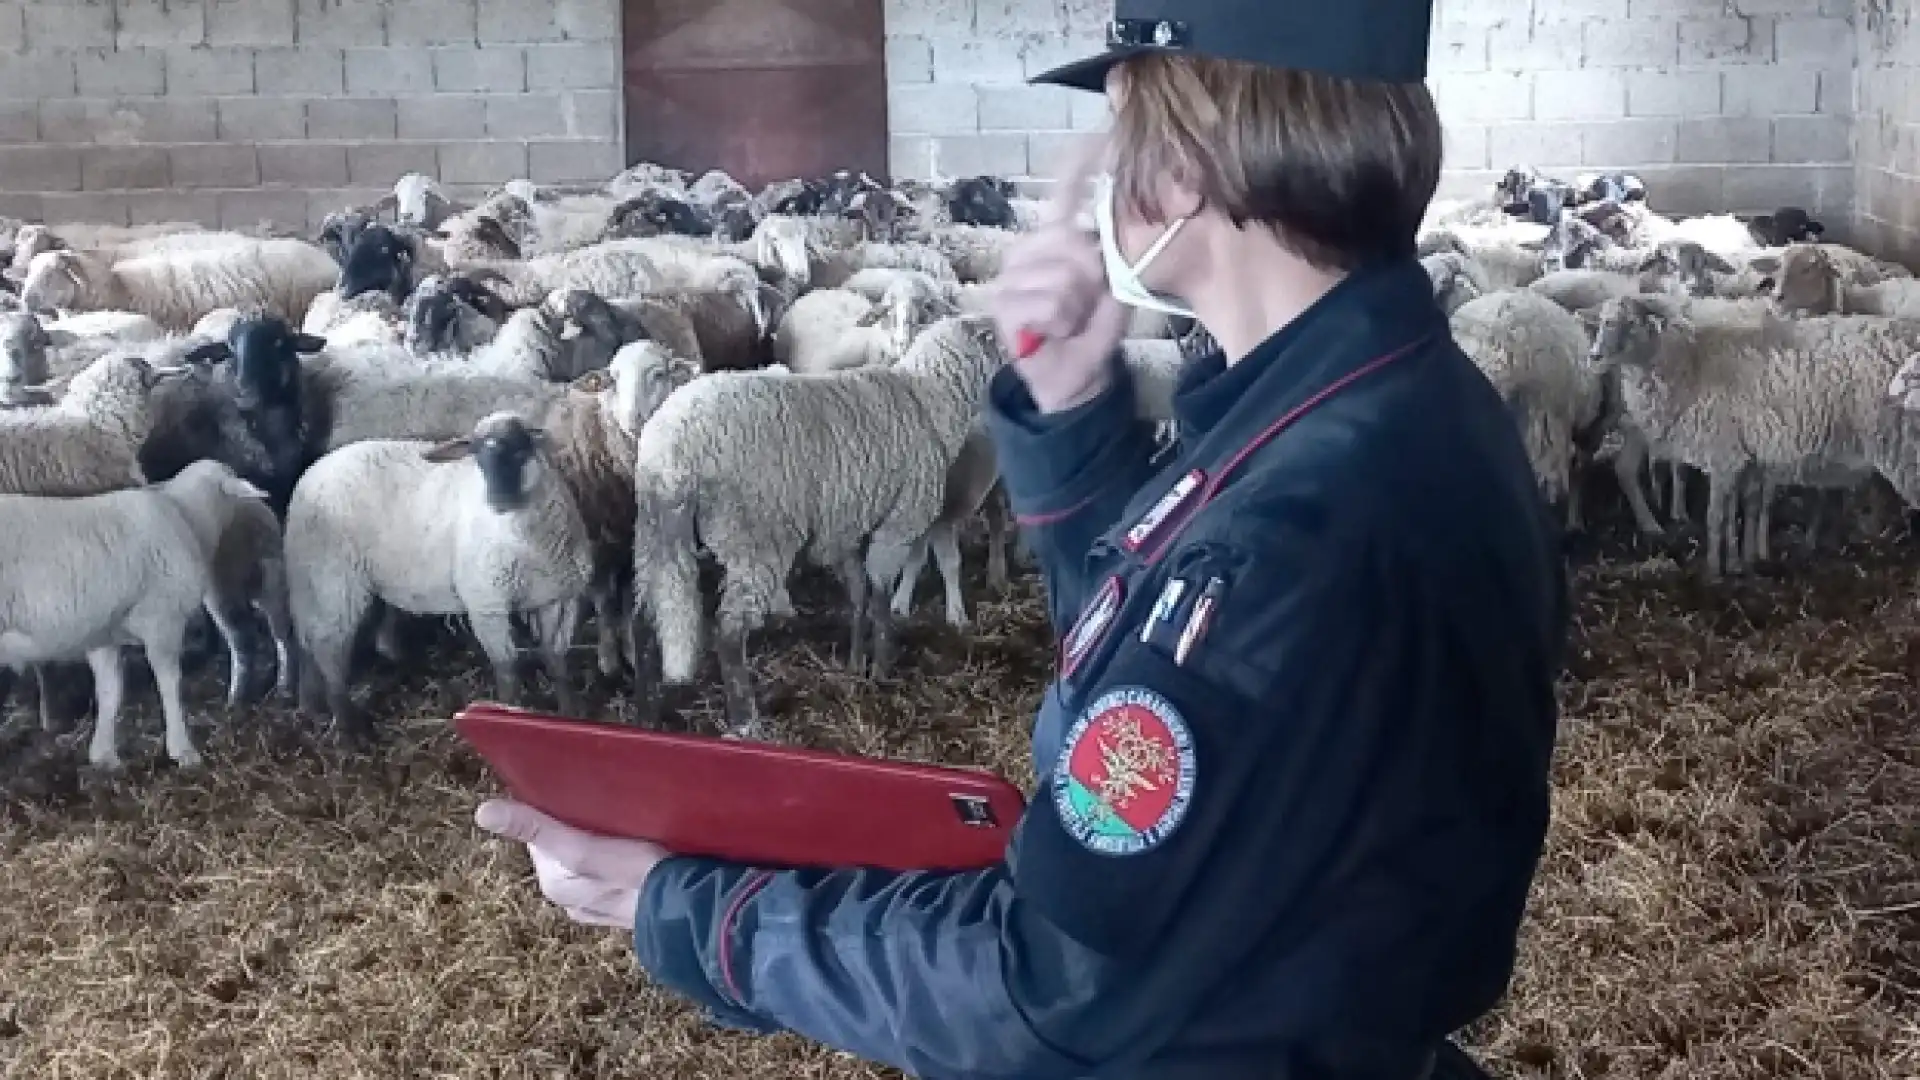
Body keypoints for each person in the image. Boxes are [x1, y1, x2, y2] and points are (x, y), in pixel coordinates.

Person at [475, 0, 1568, 1076]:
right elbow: (1175, 669)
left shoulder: (1300, 517)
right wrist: (1074, 420)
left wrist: (691, 913)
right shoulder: (1381, 409)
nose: (1088, 188)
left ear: (1183, 173)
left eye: (1116, 140)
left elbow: (1047, 995)